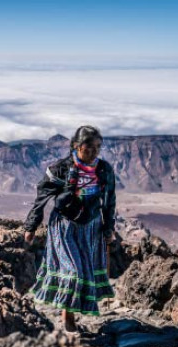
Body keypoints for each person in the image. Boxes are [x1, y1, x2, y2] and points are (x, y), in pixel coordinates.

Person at [23, 125, 116, 333]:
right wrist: (31, 226)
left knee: (83, 272)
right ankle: (68, 318)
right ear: (76, 146)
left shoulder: (104, 170)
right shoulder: (60, 169)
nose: (94, 152)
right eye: (89, 147)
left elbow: (110, 201)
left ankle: (70, 313)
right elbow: (41, 198)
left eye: (98, 147)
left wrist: (109, 228)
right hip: (63, 228)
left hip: (91, 229)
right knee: (72, 272)